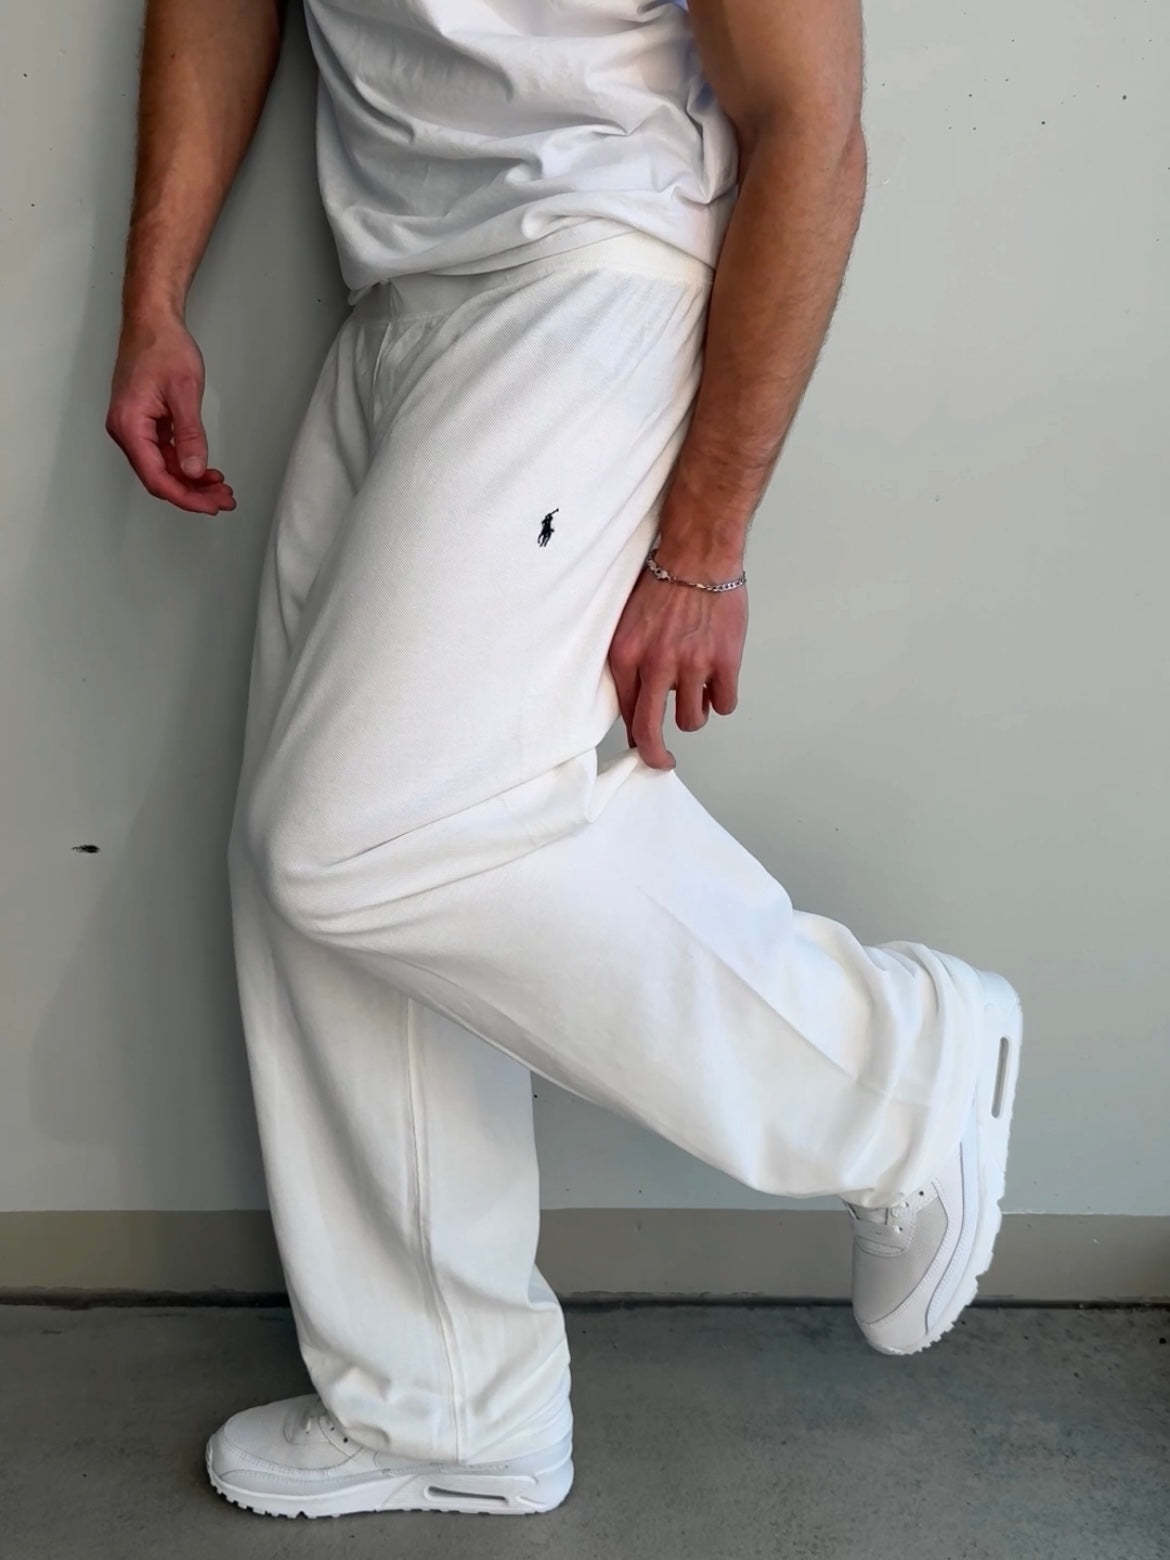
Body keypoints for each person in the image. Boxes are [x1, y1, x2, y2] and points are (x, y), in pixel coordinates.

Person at [105, 0, 1023, 1521]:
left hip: (592, 265)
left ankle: (888, 1072)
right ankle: (445, 1405)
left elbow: (811, 125)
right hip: (396, 296)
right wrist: (155, 293)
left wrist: (703, 547)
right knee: (308, 882)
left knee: (354, 834)